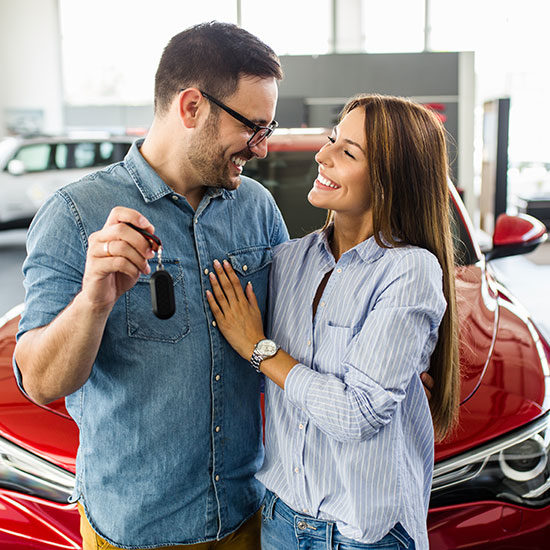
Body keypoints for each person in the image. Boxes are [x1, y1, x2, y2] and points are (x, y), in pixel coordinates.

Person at [13, 22, 287, 549]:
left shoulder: (256, 209)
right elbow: (41, 382)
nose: (262, 148)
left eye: (267, 130)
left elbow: (298, 332)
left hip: (250, 516)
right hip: (136, 532)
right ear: (191, 107)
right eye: (254, 128)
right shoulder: (74, 215)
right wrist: (94, 301)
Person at [206, 94, 460, 549]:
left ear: (389, 179)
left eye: (347, 152)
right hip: (280, 522)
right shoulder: (288, 261)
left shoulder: (410, 270)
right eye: (331, 141)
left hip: (363, 537)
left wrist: (259, 349)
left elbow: (356, 414)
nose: (322, 156)